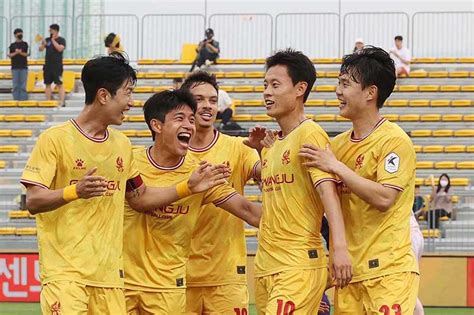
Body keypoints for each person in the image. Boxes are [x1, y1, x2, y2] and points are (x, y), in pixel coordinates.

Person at [19, 54, 228, 314]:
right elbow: (34, 201)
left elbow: (139, 197)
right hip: (66, 276)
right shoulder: (55, 139)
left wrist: (188, 187)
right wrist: (75, 191)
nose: (130, 103)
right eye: (127, 93)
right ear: (104, 96)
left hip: (111, 280)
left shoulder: (122, 145)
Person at [299, 46, 419, 314]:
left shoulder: (394, 140)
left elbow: (385, 197)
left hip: (388, 273)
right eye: (338, 83)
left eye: (345, 84)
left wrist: (337, 167)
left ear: (370, 92)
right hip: (348, 273)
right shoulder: (336, 146)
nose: (338, 91)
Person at [122, 89, 261, 314]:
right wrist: (187, 188)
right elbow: (140, 200)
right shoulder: (129, 160)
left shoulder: (200, 173)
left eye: (191, 119)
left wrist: (304, 221)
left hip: (168, 289)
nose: (189, 125)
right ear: (157, 126)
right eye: (180, 119)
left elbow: (249, 211)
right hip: (121, 283)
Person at [245, 48, 352, 314]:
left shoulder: (310, 134)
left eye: (275, 85)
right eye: (265, 85)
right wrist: (260, 151)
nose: (267, 92)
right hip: (266, 266)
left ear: (299, 88)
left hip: (297, 265)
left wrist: (339, 248)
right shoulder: (273, 144)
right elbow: (280, 195)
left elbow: (329, 195)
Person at [181, 71, 261, 315]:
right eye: (199, 99)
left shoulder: (239, 148)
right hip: (179, 276)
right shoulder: (171, 155)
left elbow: (266, 176)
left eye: (213, 100)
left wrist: (266, 156)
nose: (207, 106)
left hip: (227, 275)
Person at [39, 23, 66, 106]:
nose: (50, 32)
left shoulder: (61, 40)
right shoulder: (47, 40)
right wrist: (43, 44)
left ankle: (62, 101)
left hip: (57, 66)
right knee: (47, 83)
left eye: (51, 30)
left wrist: (53, 40)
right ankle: (48, 101)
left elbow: (60, 49)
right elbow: (40, 49)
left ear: (56, 31)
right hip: (48, 65)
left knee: (59, 83)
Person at [8, 28, 29, 101]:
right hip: (15, 67)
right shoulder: (12, 45)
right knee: (16, 85)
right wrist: (16, 53)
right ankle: (16, 100)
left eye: (21, 33)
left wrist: (19, 53)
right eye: (18, 33)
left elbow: (26, 54)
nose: (20, 34)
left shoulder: (25, 44)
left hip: (23, 67)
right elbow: (10, 55)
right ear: (15, 35)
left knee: (23, 85)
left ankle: (23, 100)